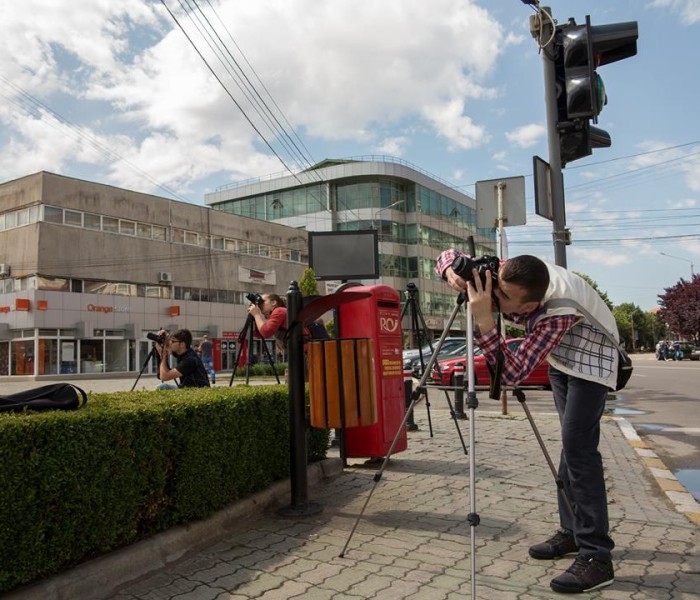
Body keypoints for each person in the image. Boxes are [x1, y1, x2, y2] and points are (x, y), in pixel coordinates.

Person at [436, 250, 617, 594]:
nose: (493, 295)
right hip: (562, 359)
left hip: (593, 359)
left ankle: (598, 558)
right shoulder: (510, 271)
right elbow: (447, 255)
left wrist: (485, 322)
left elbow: (515, 373)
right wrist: (451, 273)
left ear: (530, 307)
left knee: (580, 451)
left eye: (503, 298)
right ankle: (573, 533)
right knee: (570, 444)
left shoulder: (555, 313)